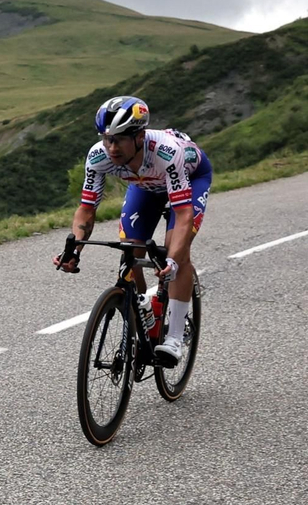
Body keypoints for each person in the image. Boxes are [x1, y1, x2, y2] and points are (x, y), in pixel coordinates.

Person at [54, 95, 211, 364]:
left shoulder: (166, 152)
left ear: (139, 137)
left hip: (190, 180)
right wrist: (74, 249)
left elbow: (184, 214)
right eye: (107, 138)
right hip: (145, 186)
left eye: (119, 139)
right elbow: (87, 209)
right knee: (130, 246)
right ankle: (145, 310)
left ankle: (174, 337)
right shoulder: (97, 156)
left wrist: (172, 260)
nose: (111, 147)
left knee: (178, 252)